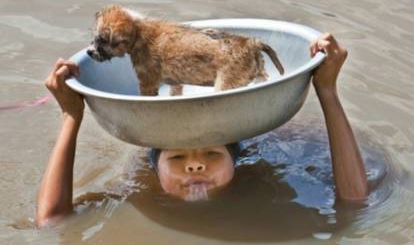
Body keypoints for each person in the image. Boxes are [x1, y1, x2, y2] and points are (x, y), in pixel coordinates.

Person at [36, 33, 368, 227]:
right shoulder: (138, 194)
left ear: (237, 161)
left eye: (212, 153)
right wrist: (71, 118)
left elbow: (354, 203)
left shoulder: (266, 180)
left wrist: (327, 92)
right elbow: (52, 221)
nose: (195, 165)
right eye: (177, 156)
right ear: (154, 169)